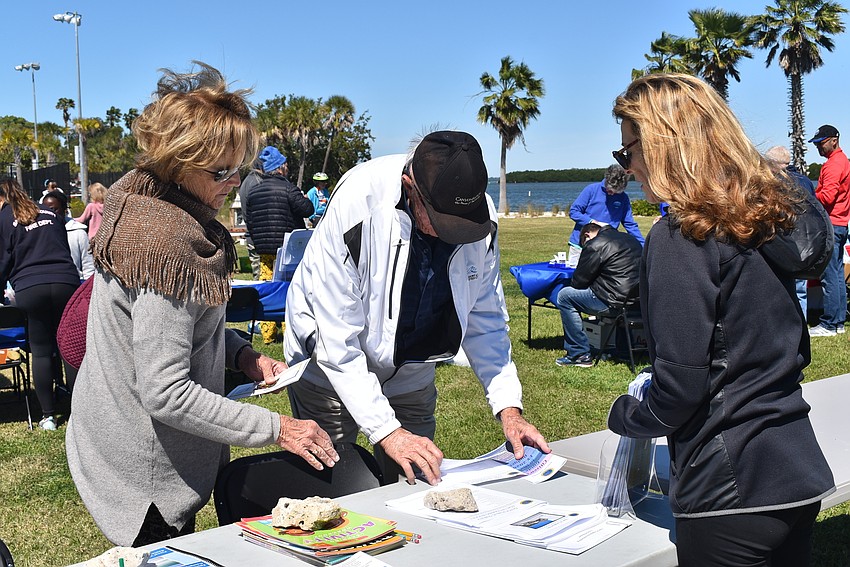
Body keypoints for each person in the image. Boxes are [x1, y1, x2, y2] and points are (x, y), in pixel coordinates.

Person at [65, 61, 337, 548]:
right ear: (177, 161)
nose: (234, 182)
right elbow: (165, 391)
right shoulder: (163, 242)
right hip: (144, 472)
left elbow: (182, 327)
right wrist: (278, 428)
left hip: (135, 440)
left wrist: (242, 355)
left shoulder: (147, 207)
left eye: (239, 168)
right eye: (221, 171)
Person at [607, 73, 834, 567]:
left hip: (729, 488)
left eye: (628, 152)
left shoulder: (682, 237)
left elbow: (680, 389)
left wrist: (624, 414)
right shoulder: (765, 221)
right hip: (794, 466)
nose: (627, 168)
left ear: (663, 146)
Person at [284, 130, 550, 485]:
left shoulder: (476, 217)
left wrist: (509, 408)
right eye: (441, 222)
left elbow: (485, 321)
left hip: (413, 373)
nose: (451, 234)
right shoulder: (357, 203)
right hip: (328, 374)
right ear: (410, 187)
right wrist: (388, 432)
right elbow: (336, 341)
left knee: (420, 485)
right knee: (337, 484)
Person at [0, 178, 80, 430]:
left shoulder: (4, 218)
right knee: (68, 347)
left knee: (42, 349)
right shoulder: (49, 213)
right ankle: (79, 409)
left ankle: (48, 416)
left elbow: (3, 260)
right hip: (66, 282)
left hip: (30, 287)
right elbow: (62, 249)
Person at [243, 146, 314, 344]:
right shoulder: (288, 188)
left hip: (264, 248)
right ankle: (289, 329)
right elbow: (307, 209)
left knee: (266, 285)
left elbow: (250, 219)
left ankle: (268, 335)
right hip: (287, 249)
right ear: (280, 167)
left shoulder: (254, 192)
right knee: (288, 287)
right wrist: (304, 198)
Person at [554, 222, 641, 367]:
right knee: (620, 294)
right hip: (637, 301)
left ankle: (579, 353)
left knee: (565, 296)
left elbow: (579, 282)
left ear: (587, 235)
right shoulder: (630, 239)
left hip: (614, 302)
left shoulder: (595, 244)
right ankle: (625, 351)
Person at [807, 124, 850, 336]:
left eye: (820, 143)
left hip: (832, 224)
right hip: (841, 223)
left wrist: (811, 196)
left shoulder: (833, 165)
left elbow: (827, 197)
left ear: (834, 140)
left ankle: (830, 323)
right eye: (816, 144)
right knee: (837, 273)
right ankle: (838, 321)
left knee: (829, 274)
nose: (818, 148)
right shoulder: (842, 161)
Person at [764, 145, 816, 318]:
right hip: (805, 241)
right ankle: (802, 322)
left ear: (772, 164)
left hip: (783, 239)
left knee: (782, 287)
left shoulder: (774, 183)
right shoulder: (805, 181)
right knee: (800, 288)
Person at [569, 163, 644, 247]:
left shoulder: (623, 198)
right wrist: (593, 222)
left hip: (606, 246)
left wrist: (643, 245)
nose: (611, 194)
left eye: (616, 192)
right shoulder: (591, 190)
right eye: (609, 190)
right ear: (606, 181)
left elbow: (630, 224)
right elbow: (574, 212)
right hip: (581, 244)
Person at [42, 189, 94, 281]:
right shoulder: (38, 232)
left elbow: (88, 265)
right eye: (44, 209)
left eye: (53, 209)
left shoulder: (78, 232)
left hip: (74, 283)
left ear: (64, 209)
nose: (49, 213)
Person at [237, 159, 263, 280]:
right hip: (257, 235)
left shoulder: (247, 181)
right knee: (260, 275)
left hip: (251, 233)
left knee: (256, 271)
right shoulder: (257, 182)